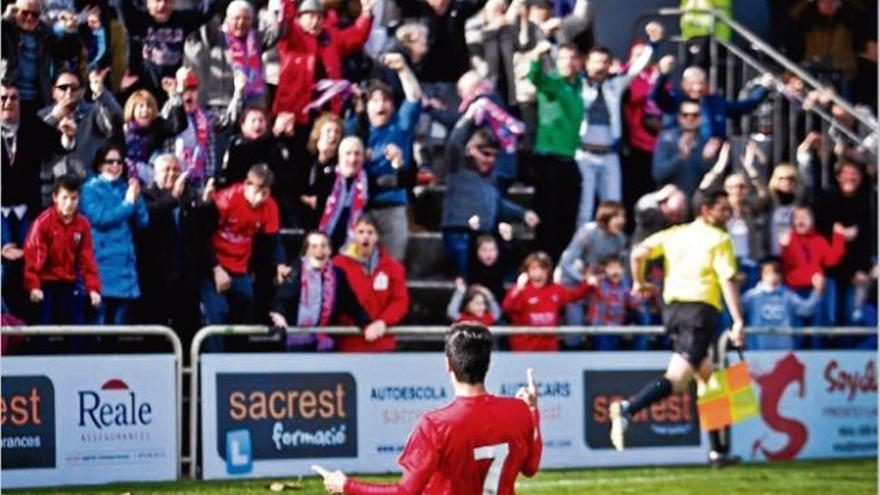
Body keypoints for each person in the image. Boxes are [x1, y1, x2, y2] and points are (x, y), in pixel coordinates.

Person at [316, 322, 542, 495]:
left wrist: (346, 484)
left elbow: (406, 492)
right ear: (488, 364)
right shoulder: (520, 410)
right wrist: (533, 410)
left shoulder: (435, 424)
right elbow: (531, 468)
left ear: (447, 365)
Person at [611, 190, 745, 468]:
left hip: (673, 311)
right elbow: (727, 281)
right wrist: (738, 320)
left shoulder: (675, 234)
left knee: (708, 376)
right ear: (706, 210)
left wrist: (640, 283)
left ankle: (719, 452)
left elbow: (637, 254)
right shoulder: (720, 239)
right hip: (700, 311)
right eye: (722, 209)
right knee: (678, 378)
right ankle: (627, 409)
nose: (728, 214)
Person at [572, 22, 662, 227]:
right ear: (587, 63)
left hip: (610, 154)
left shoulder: (615, 83)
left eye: (604, 62)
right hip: (585, 154)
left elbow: (636, 68)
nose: (600, 66)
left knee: (613, 205)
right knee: (585, 208)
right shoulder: (578, 84)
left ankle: (612, 252)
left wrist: (653, 44)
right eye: (595, 62)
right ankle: (583, 254)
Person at [351, 53, 422, 261]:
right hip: (362, 205)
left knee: (392, 264)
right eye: (375, 100)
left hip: (393, 205)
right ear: (367, 104)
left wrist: (402, 69)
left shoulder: (400, 126)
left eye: (386, 101)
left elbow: (414, 97)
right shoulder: (357, 128)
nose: (381, 105)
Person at [202, 164, 289, 325]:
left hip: (240, 267)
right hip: (214, 264)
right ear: (246, 185)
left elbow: (273, 240)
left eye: (265, 193)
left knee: (247, 307)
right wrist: (216, 267)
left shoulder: (269, 206)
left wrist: (280, 263)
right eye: (257, 192)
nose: (260, 199)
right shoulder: (227, 199)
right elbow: (203, 236)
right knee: (216, 313)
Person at [270, 230, 384, 351]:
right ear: (306, 252)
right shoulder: (294, 271)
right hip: (295, 342)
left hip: (325, 343)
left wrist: (368, 324)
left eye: (323, 246)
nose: (319, 250)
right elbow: (281, 300)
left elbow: (352, 306)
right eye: (313, 246)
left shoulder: (338, 275)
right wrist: (279, 316)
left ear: (329, 250)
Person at [80, 142, 149, 324]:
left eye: (119, 162)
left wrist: (137, 197)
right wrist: (128, 204)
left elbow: (143, 222)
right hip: (101, 264)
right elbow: (100, 219)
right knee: (98, 328)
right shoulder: (89, 189)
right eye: (110, 162)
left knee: (118, 331)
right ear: (100, 164)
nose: (115, 166)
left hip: (125, 267)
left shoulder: (124, 187)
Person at [23, 174, 102, 324]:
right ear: (55, 197)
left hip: (70, 282)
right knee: (43, 328)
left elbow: (88, 261)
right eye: (65, 198)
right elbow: (33, 258)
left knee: (77, 328)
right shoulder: (43, 222)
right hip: (45, 283)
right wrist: (33, 286)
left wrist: (93, 289)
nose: (69, 203)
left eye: (74, 198)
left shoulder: (83, 224)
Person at [332, 216, 409, 352]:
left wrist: (382, 322)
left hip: (382, 343)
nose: (365, 237)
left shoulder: (393, 267)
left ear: (377, 236)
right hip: (348, 342)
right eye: (361, 232)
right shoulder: (337, 265)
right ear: (353, 234)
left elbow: (400, 300)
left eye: (370, 232)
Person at [502, 251, 592, 351]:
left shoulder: (556, 289)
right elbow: (507, 307)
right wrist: (518, 288)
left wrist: (588, 283)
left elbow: (575, 295)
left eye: (542, 268)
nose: (539, 272)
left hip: (549, 348)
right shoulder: (520, 290)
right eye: (534, 268)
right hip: (524, 347)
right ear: (527, 271)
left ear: (548, 270)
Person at [743, 257, 824, 350]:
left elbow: (806, 309)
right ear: (761, 274)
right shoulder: (752, 296)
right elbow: (737, 311)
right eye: (768, 273)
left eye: (776, 273)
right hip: (757, 351)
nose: (773, 277)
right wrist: (736, 288)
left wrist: (817, 291)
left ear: (781, 276)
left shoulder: (788, 295)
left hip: (783, 351)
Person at [319, 136, 370, 252]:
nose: (352, 159)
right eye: (348, 153)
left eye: (357, 154)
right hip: (324, 241)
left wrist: (397, 164)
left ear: (363, 158)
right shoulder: (326, 177)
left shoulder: (368, 182)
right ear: (340, 156)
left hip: (354, 245)